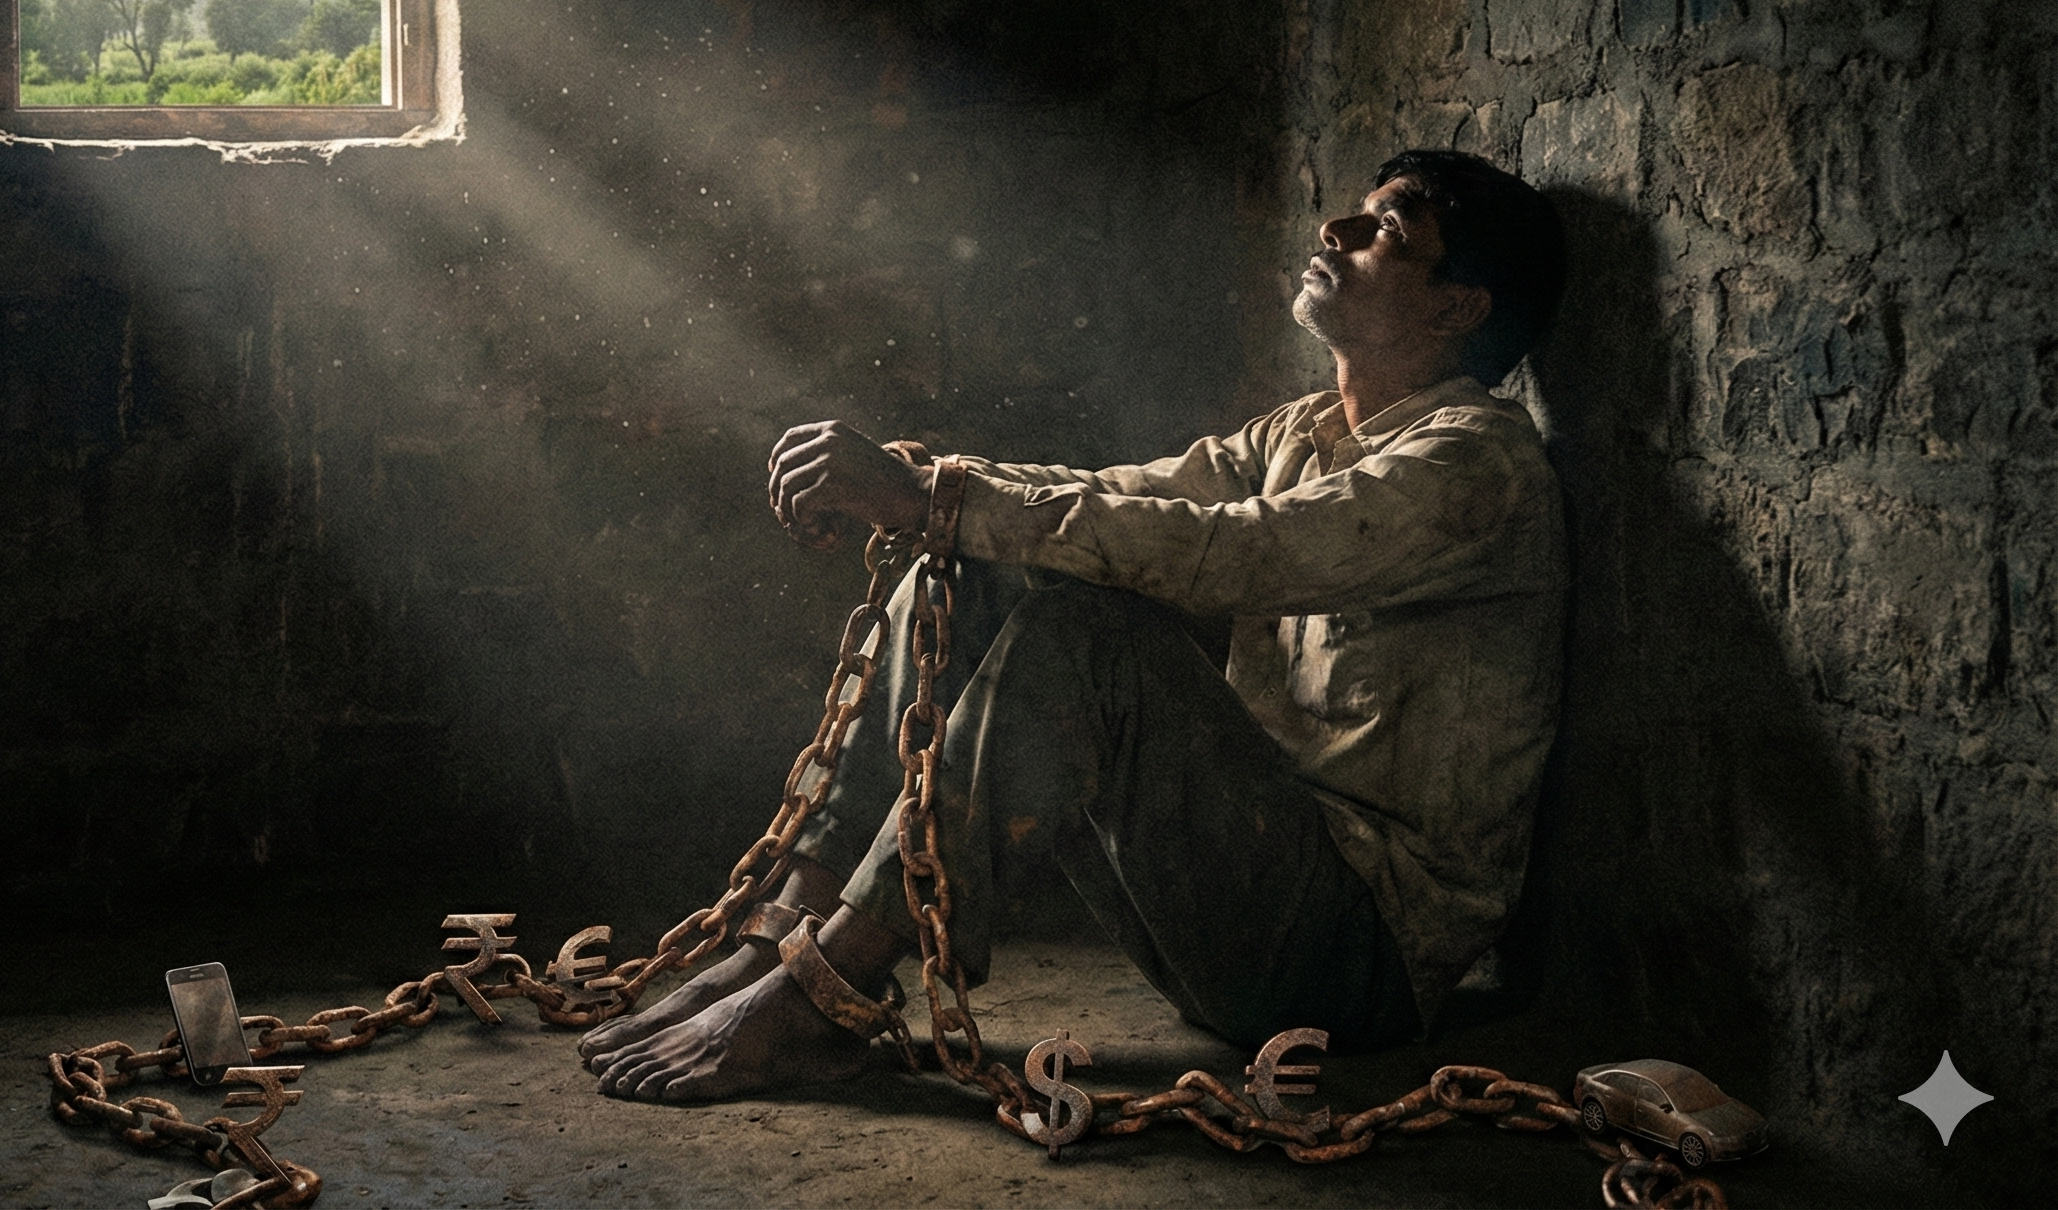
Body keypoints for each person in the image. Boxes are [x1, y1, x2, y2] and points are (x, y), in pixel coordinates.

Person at [583, 149, 1570, 1103]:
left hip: (1352, 965)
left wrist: (932, 494)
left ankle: (820, 995)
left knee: (1084, 638)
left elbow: (1240, 551)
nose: (1335, 229)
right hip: (1225, 917)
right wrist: (935, 491)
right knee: (960, 563)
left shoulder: (1478, 466)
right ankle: (782, 939)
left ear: (1457, 307)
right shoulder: (1300, 432)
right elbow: (1117, 499)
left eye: (1384, 230)